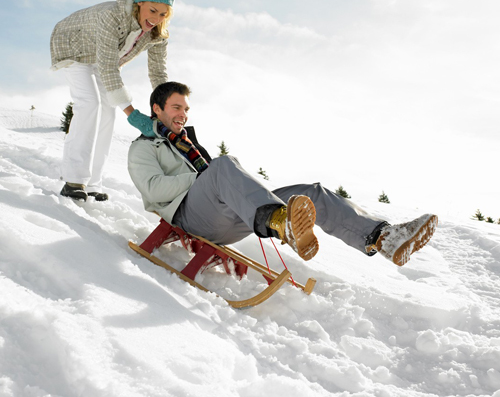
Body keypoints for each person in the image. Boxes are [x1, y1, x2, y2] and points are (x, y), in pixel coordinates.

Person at [127, 82, 438, 266]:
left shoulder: (189, 145)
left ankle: (383, 238)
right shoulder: (144, 148)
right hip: (188, 219)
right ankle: (279, 221)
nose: (183, 114)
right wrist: (203, 178)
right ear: (157, 109)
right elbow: (154, 190)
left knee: (310, 193)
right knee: (222, 165)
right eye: (176, 107)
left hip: (227, 218)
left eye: (186, 109)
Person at [50, 0, 174, 202]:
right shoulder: (112, 15)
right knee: (90, 103)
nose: (156, 18)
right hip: (72, 46)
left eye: (163, 13)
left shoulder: (158, 33)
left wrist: (167, 108)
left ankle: (93, 182)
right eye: (152, 10)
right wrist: (133, 115)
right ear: (139, 4)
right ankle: (73, 180)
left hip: (102, 58)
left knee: (107, 111)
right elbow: (109, 69)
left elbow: (158, 73)